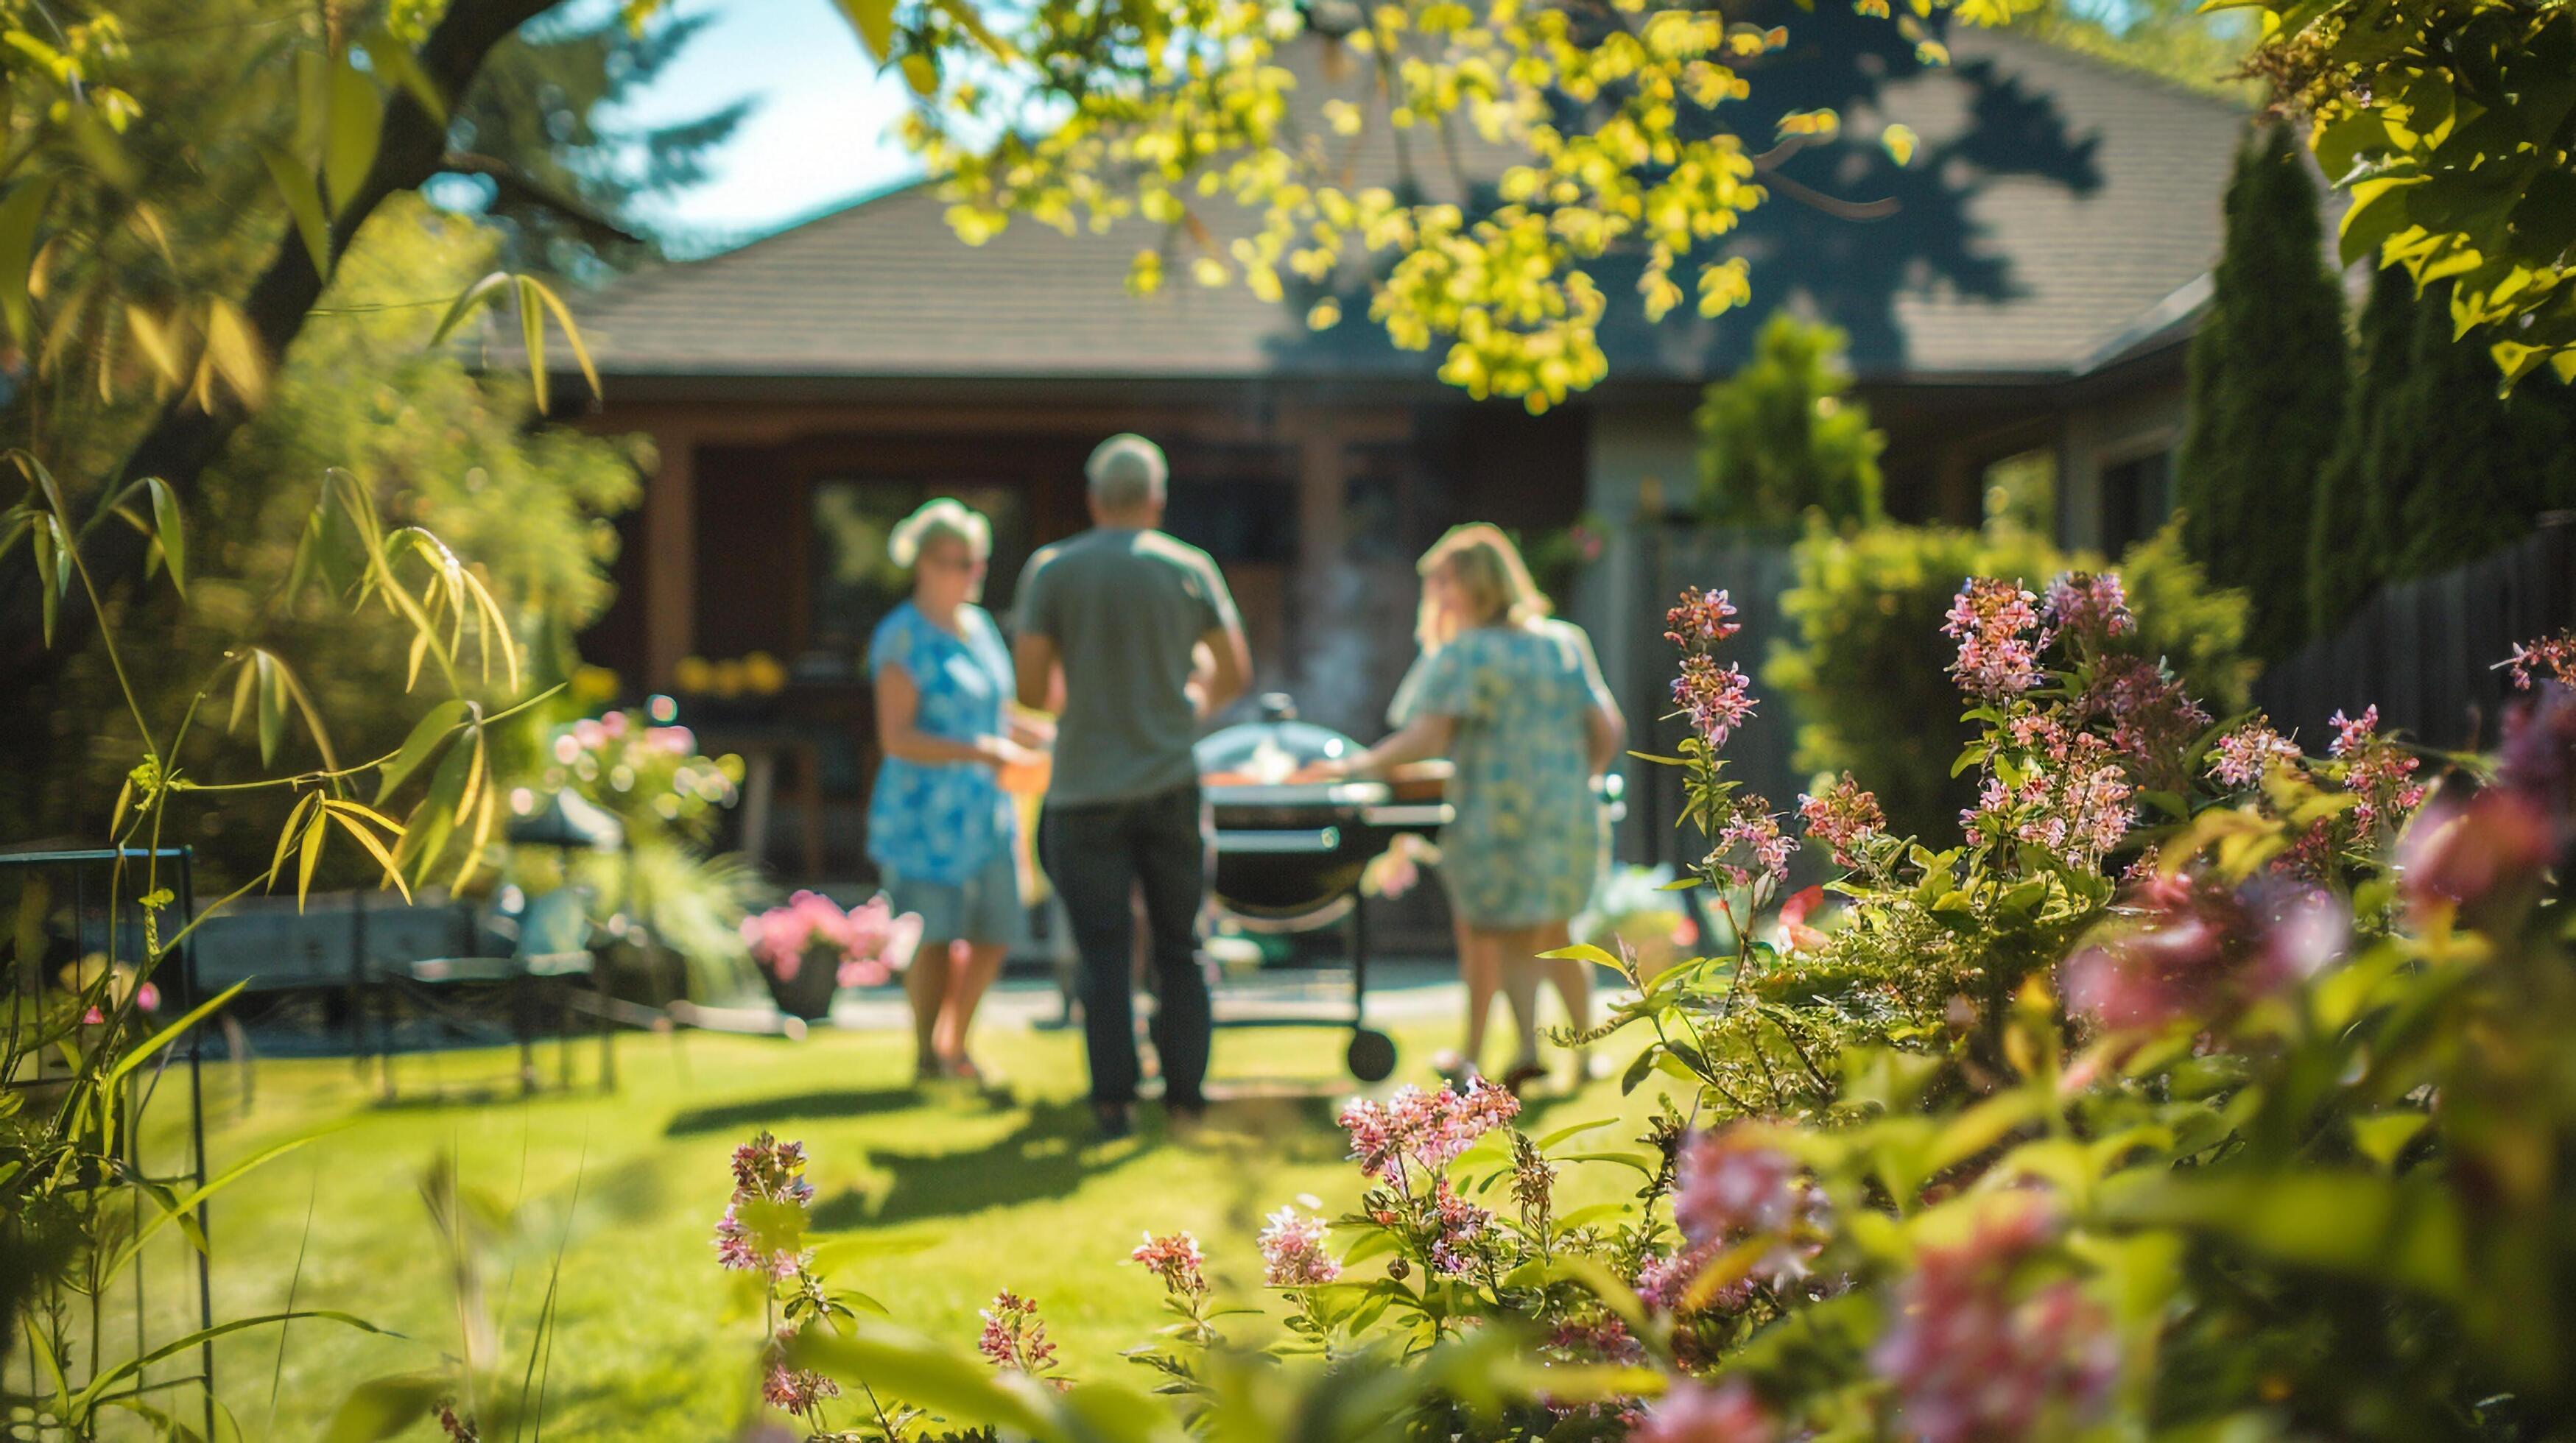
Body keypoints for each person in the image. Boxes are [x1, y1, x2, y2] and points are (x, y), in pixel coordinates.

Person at [1317, 523, 1624, 1093]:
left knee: (1507, 934)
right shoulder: (1563, 640)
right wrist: (1580, 780)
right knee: (1558, 932)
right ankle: (1583, 1059)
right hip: (1568, 815)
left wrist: (1357, 767)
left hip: (1497, 819)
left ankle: (1531, 1048)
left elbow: (1426, 740)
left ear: (1470, 585)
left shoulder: (1470, 651)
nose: (1435, 599)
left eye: (1441, 586)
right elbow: (1606, 727)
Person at [1014, 434, 1250, 1137]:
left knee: (1104, 951)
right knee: (1181, 945)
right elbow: (1234, 672)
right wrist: (1186, 702)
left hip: (1083, 790)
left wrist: (1090, 702)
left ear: (1093, 499)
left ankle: (1113, 1103)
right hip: (1171, 783)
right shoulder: (1188, 568)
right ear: (1157, 498)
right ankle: (1185, 1097)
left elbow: (1029, 688)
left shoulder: (1052, 570)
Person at [867, 498, 1046, 1082]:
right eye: (957, 562)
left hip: (986, 811)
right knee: (936, 936)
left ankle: (957, 1043)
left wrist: (1045, 735)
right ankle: (925, 1054)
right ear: (923, 562)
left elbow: (993, 712)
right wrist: (984, 750)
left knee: (998, 928)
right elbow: (897, 738)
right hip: (923, 815)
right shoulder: (899, 639)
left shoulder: (980, 626)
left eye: (977, 562)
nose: (971, 573)